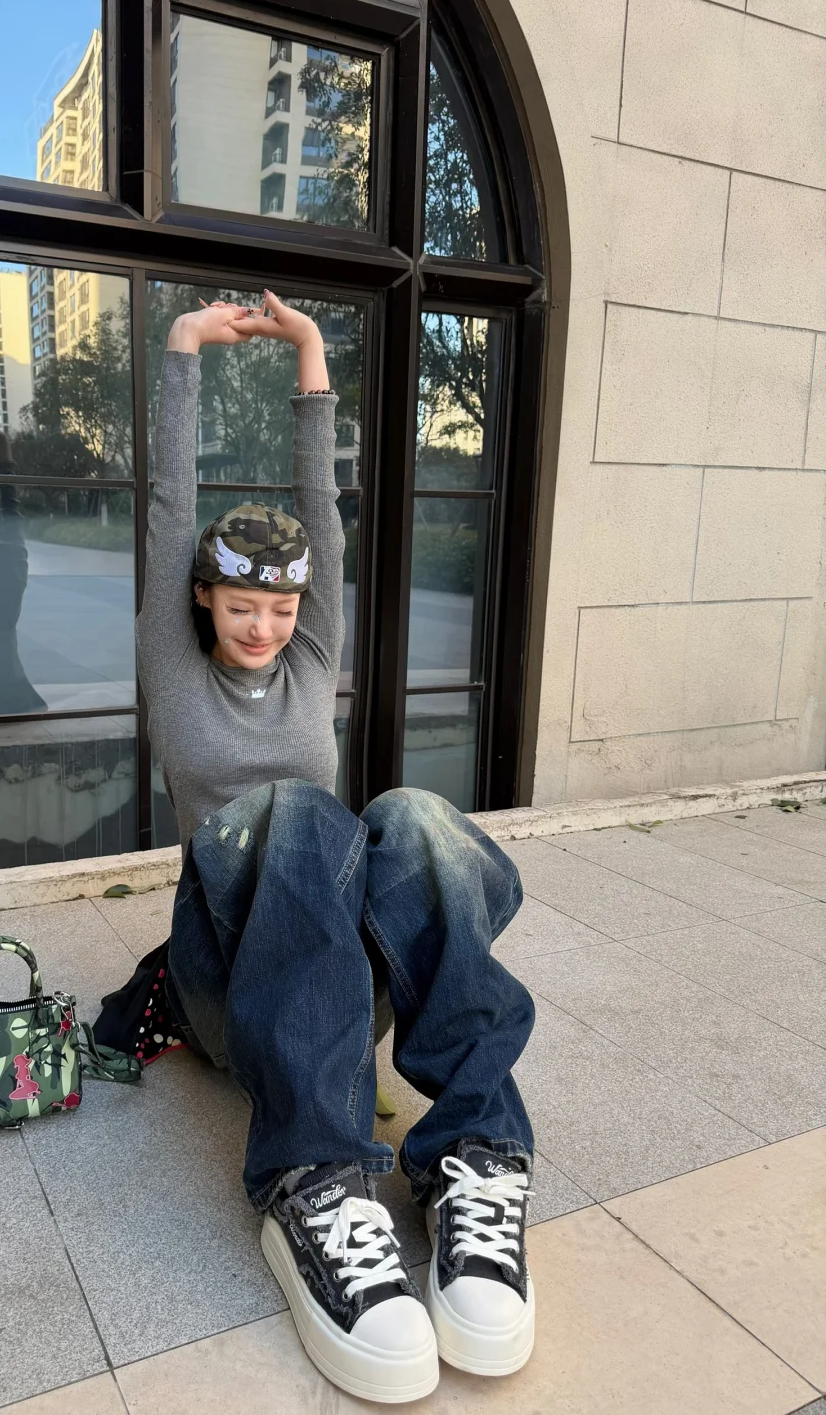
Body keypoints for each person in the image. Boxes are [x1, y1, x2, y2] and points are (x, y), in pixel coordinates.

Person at [135, 292, 536, 1404]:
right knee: (304, 815)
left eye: (281, 608)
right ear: (202, 600)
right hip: (231, 976)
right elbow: (169, 510)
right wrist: (182, 349)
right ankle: (315, 1177)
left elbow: (326, 509)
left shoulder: (312, 657)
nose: (262, 627)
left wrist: (312, 351)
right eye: (239, 606)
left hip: (336, 976)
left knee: (414, 817)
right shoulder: (172, 664)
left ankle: (475, 1155)